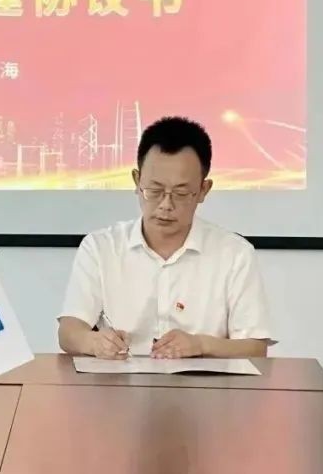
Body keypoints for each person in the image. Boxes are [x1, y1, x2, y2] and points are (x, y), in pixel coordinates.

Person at [57, 116, 274, 360]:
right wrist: (93, 342)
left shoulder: (235, 254)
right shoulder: (101, 247)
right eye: (155, 190)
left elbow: (255, 348)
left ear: (203, 190)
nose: (165, 205)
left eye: (181, 193)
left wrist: (201, 344)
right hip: (121, 380)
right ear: (137, 181)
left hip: (203, 382)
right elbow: (69, 331)